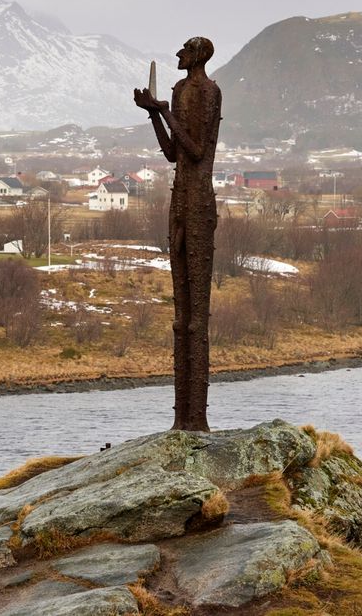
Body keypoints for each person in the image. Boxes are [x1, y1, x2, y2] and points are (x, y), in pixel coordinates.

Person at [134, 37, 222, 431]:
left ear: (200, 54)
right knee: (180, 315)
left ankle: (196, 419)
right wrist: (155, 114)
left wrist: (166, 112)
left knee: (196, 319)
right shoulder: (180, 90)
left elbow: (198, 150)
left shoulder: (207, 91)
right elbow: (174, 153)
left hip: (199, 204)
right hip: (179, 202)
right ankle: (180, 420)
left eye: (185, 49)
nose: (178, 55)